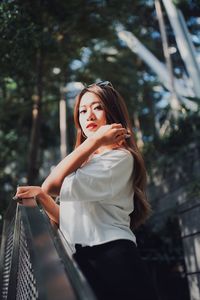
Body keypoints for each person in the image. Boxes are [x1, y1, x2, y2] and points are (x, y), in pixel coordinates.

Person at [15, 81, 157, 300]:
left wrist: (96, 140)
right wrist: (43, 198)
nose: (89, 115)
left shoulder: (119, 159)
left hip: (113, 260)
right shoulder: (87, 163)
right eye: (83, 110)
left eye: (97, 107)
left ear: (113, 114)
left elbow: (51, 185)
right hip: (85, 259)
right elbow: (70, 220)